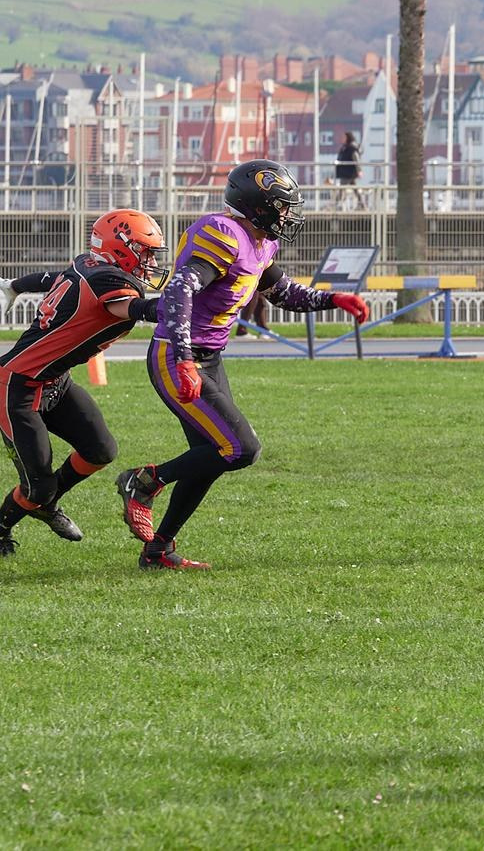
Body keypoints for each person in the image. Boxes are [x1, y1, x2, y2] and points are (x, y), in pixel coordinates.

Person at [114, 160, 371, 570]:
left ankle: (158, 550)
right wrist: (184, 359)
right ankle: (144, 480)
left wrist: (333, 299)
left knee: (211, 455)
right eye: (281, 206)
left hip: (209, 358)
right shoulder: (224, 233)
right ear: (258, 206)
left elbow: (283, 293)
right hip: (176, 355)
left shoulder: (261, 242)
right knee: (240, 448)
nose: (287, 215)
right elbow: (179, 290)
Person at [0, 209, 170, 558]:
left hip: (54, 381)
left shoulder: (88, 265)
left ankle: (48, 504)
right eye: (146, 252)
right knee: (37, 486)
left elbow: (52, 278)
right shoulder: (109, 282)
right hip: (16, 386)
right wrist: (177, 306)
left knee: (100, 450)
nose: (151, 261)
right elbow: (131, 308)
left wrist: (15, 286)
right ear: (120, 247)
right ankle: (3, 526)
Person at [335, 131, 365, 211]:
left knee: (342, 188)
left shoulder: (351, 148)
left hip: (348, 172)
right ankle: (362, 204)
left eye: (344, 137)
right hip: (346, 171)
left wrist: (359, 170)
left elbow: (356, 160)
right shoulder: (345, 147)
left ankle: (336, 204)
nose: (342, 138)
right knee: (355, 188)